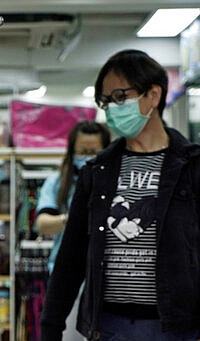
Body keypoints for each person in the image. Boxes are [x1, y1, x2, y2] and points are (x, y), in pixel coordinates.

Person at [40, 49, 200, 341]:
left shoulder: (191, 167)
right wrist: (51, 326)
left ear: (152, 95)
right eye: (105, 100)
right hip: (109, 326)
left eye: (119, 97)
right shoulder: (98, 171)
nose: (111, 108)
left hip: (176, 327)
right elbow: (71, 255)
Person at [36, 120, 111, 273]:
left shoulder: (115, 181)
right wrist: (73, 219)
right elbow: (42, 224)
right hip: (66, 266)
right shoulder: (57, 182)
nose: (88, 157)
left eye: (94, 152)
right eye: (82, 152)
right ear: (72, 151)